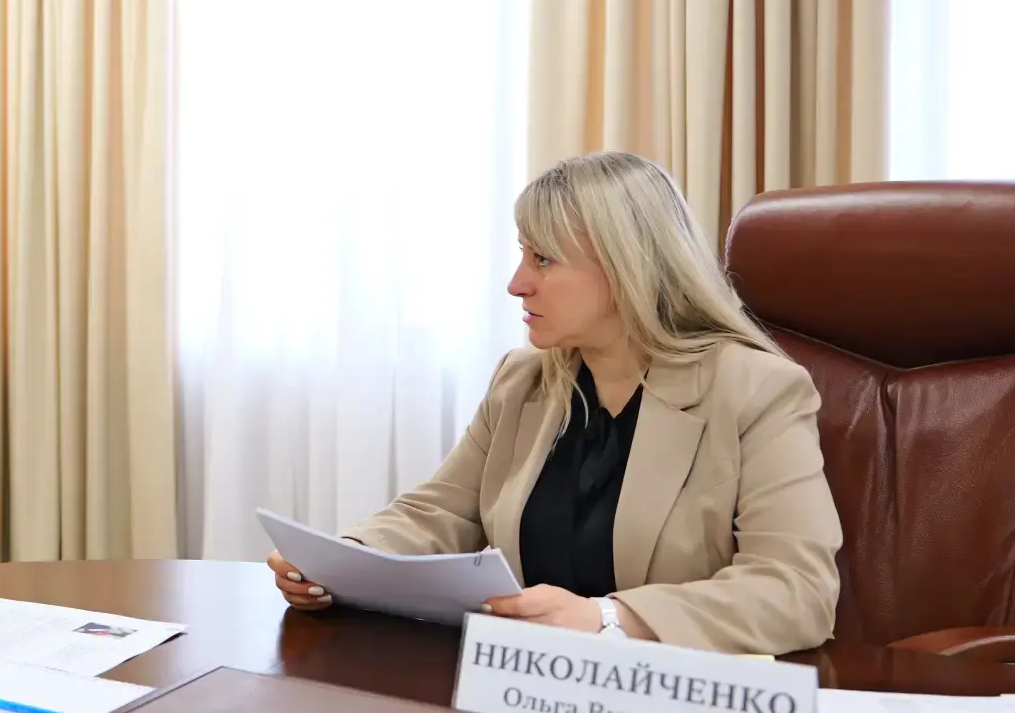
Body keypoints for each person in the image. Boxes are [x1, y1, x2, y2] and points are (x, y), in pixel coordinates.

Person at [267, 151, 843, 656]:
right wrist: (339, 560)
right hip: (526, 688)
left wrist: (609, 618)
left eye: (543, 259)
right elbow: (442, 513)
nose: (517, 283)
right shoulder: (523, 382)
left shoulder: (755, 389)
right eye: (524, 256)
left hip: (675, 703)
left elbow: (797, 589)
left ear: (627, 267)